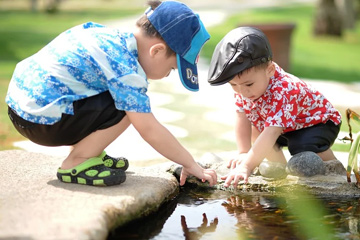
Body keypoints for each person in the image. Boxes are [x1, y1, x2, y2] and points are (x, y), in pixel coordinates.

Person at [5, 0, 217, 187]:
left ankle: (90, 153)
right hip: (41, 122)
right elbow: (149, 129)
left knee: (122, 97)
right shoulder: (126, 69)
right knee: (130, 107)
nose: (166, 75)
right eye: (171, 69)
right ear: (157, 51)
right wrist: (190, 163)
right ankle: (77, 162)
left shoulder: (107, 36)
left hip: (21, 109)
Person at [207, 27, 341, 187]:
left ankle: (332, 167)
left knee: (301, 146)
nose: (242, 91)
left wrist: (246, 166)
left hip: (318, 123)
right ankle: (281, 170)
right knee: (257, 130)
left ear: (269, 70)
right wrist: (244, 152)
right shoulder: (244, 88)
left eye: (248, 84)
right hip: (286, 126)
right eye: (233, 85)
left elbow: (272, 131)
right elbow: (241, 117)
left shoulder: (285, 89)